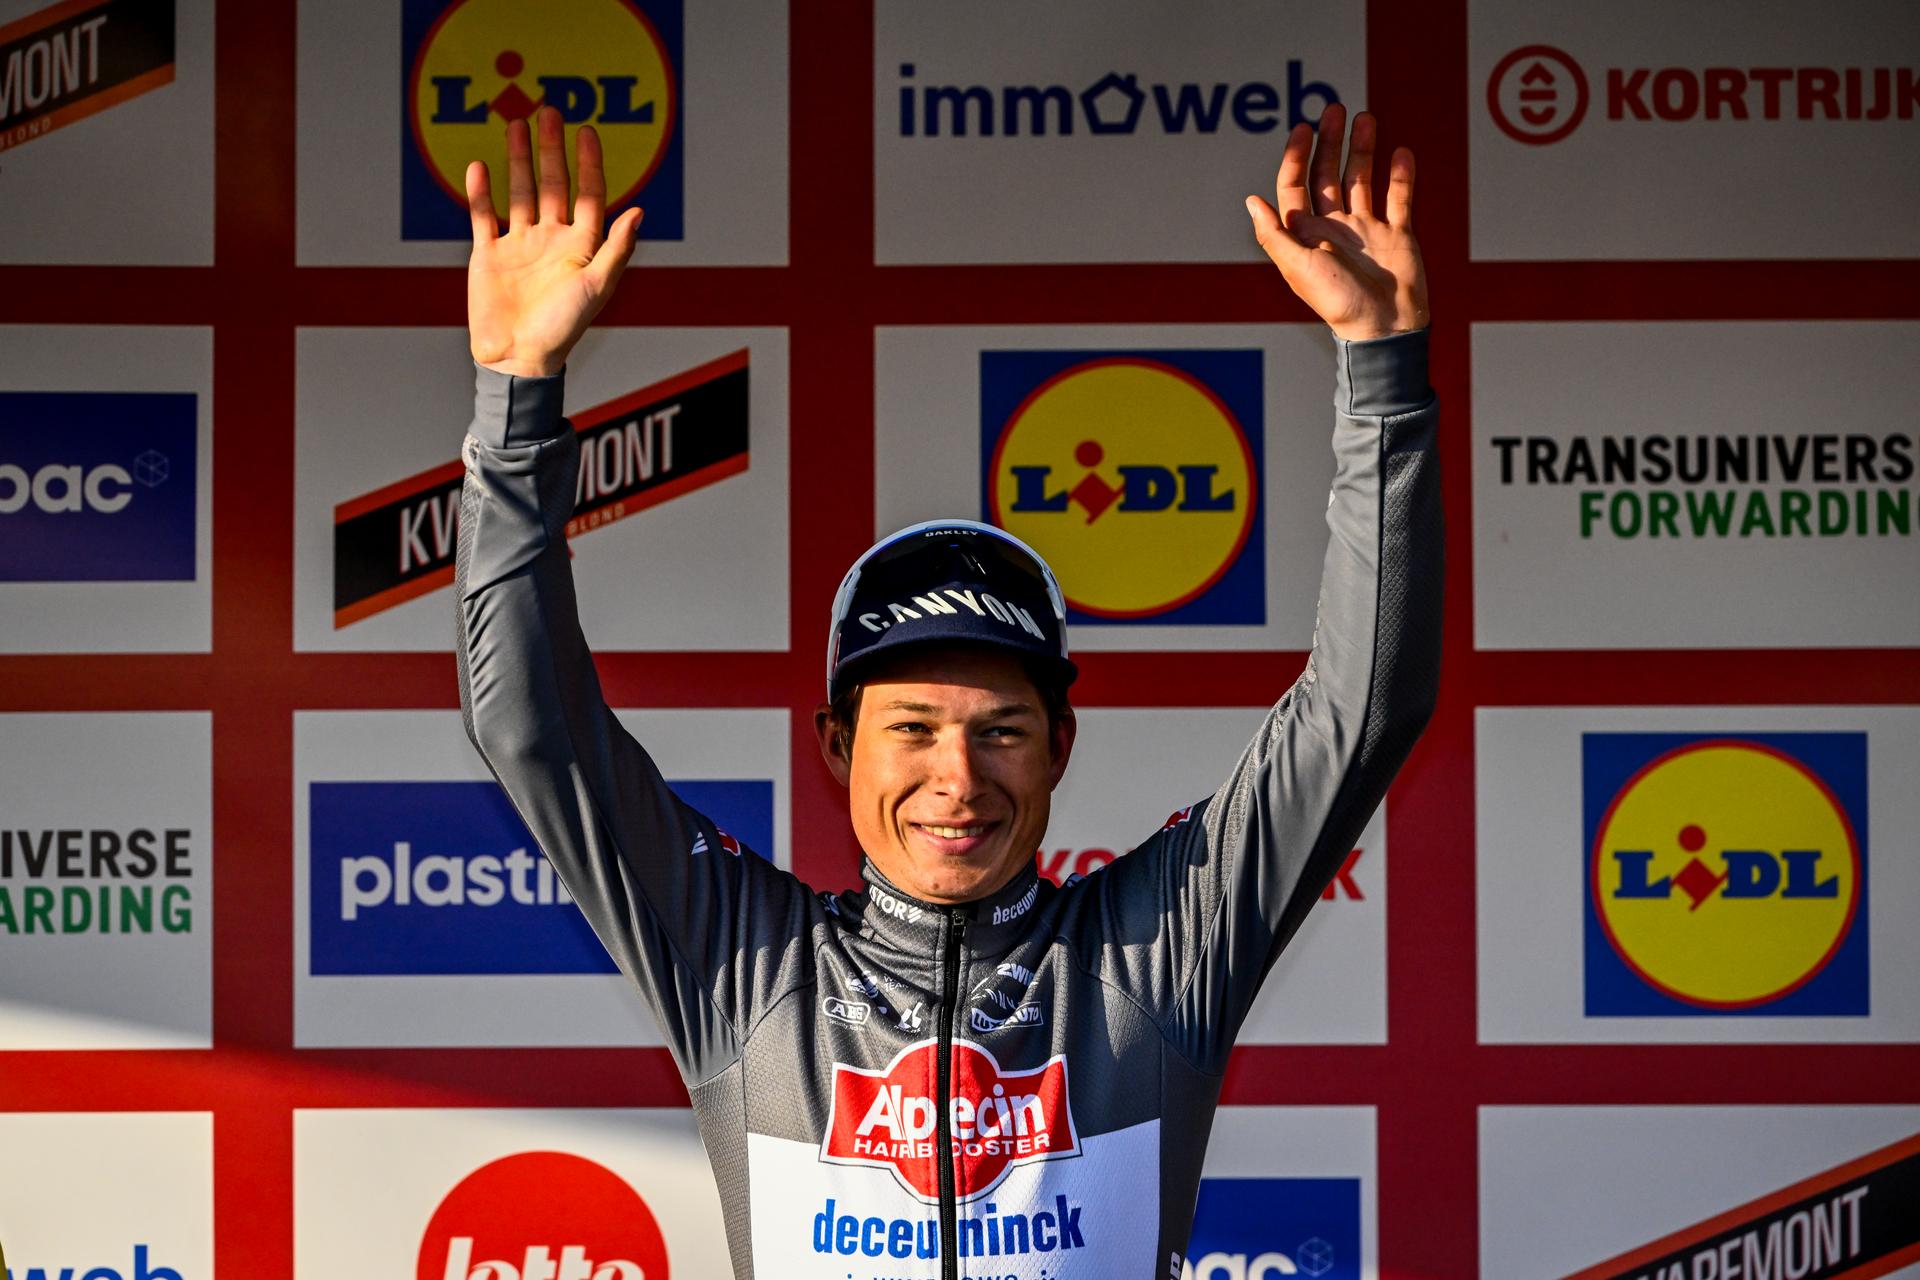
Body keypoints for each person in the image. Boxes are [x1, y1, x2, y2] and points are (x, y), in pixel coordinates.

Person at [456, 100, 1438, 1280]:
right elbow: (531, 727)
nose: (956, 778)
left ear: (1061, 742)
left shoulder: (1152, 954)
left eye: (1001, 729)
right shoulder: (748, 966)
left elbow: (1363, 707)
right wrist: (517, 393)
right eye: (912, 727)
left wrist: (1383, 372)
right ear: (836, 744)